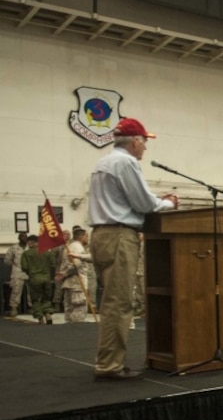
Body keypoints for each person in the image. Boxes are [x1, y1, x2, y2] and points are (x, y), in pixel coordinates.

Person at [87, 117, 178, 380]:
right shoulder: (126, 162)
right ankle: (109, 366)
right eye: (145, 142)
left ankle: (108, 361)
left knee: (112, 302)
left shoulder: (103, 162)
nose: (146, 148)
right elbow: (143, 203)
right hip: (118, 236)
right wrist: (168, 203)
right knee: (119, 303)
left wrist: (155, 200)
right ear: (135, 141)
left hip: (102, 235)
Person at [55, 227, 92, 323]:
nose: (88, 238)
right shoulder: (77, 247)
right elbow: (76, 264)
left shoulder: (69, 246)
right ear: (82, 237)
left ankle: (69, 328)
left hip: (69, 283)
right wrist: (64, 274)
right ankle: (77, 328)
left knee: (69, 308)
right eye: (87, 236)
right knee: (79, 308)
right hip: (77, 282)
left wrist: (63, 274)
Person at [20, 235, 56, 323]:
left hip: (34, 278)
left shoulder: (26, 254)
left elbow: (24, 267)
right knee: (46, 297)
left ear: (30, 243)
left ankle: (40, 317)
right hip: (47, 278)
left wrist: (31, 272)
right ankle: (48, 314)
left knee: (35, 299)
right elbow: (53, 265)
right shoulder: (49, 252)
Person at [5, 232, 29, 316]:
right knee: (16, 290)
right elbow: (7, 260)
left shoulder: (30, 247)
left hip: (30, 271)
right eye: (22, 237)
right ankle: (14, 308)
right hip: (17, 271)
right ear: (19, 238)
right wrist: (16, 265)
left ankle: (33, 307)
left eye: (25, 237)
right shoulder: (14, 248)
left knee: (32, 290)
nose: (24, 238)